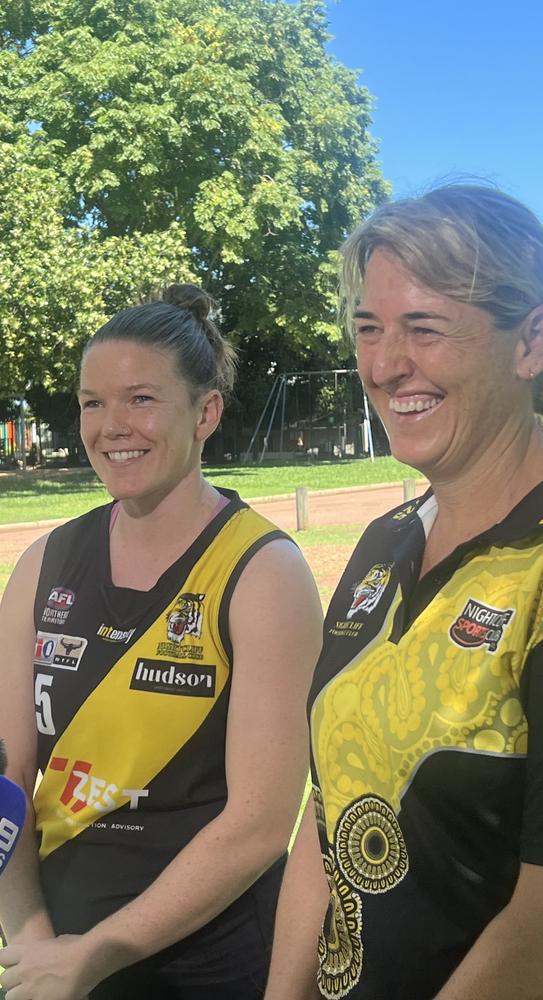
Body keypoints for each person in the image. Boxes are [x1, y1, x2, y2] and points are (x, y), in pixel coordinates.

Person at [264, 185, 543, 1000]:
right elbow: (330, 807)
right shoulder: (384, 542)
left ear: (531, 341)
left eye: (425, 328)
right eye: (369, 328)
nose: (384, 363)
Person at [0, 284, 323, 999]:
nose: (112, 426)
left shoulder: (264, 573)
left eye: (140, 399)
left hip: (207, 967)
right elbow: (8, 780)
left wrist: (96, 954)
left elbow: (261, 824)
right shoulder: (42, 565)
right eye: (92, 402)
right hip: (57, 952)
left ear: (205, 411)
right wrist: (33, 944)